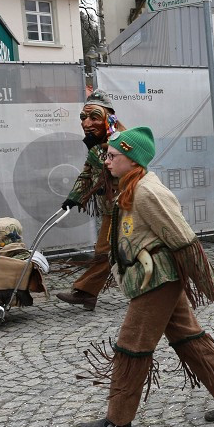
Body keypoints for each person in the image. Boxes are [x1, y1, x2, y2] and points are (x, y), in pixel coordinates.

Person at [74, 127, 214, 427]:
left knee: (131, 346)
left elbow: (182, 238)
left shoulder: (147, 192)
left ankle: (117, 422)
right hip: (150, 277)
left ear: (132, 160)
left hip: (156, 280)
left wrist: (208, 281)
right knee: (187, 337)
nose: (107, 161)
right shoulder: (128, 186)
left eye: (113, 156)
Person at [57, 91, 125, 312]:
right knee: (110, 251)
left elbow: (118, 171)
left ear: (109, 118)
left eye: (94, 117)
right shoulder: (97, 144)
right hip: (111, 209)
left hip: (129, 206)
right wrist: (73, 198)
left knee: (107, 251)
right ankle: (87, 294)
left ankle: (85, 292)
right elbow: (87, 174)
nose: (86, 123)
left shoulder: (123, 140)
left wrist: (96, 149)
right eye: (83, 118)